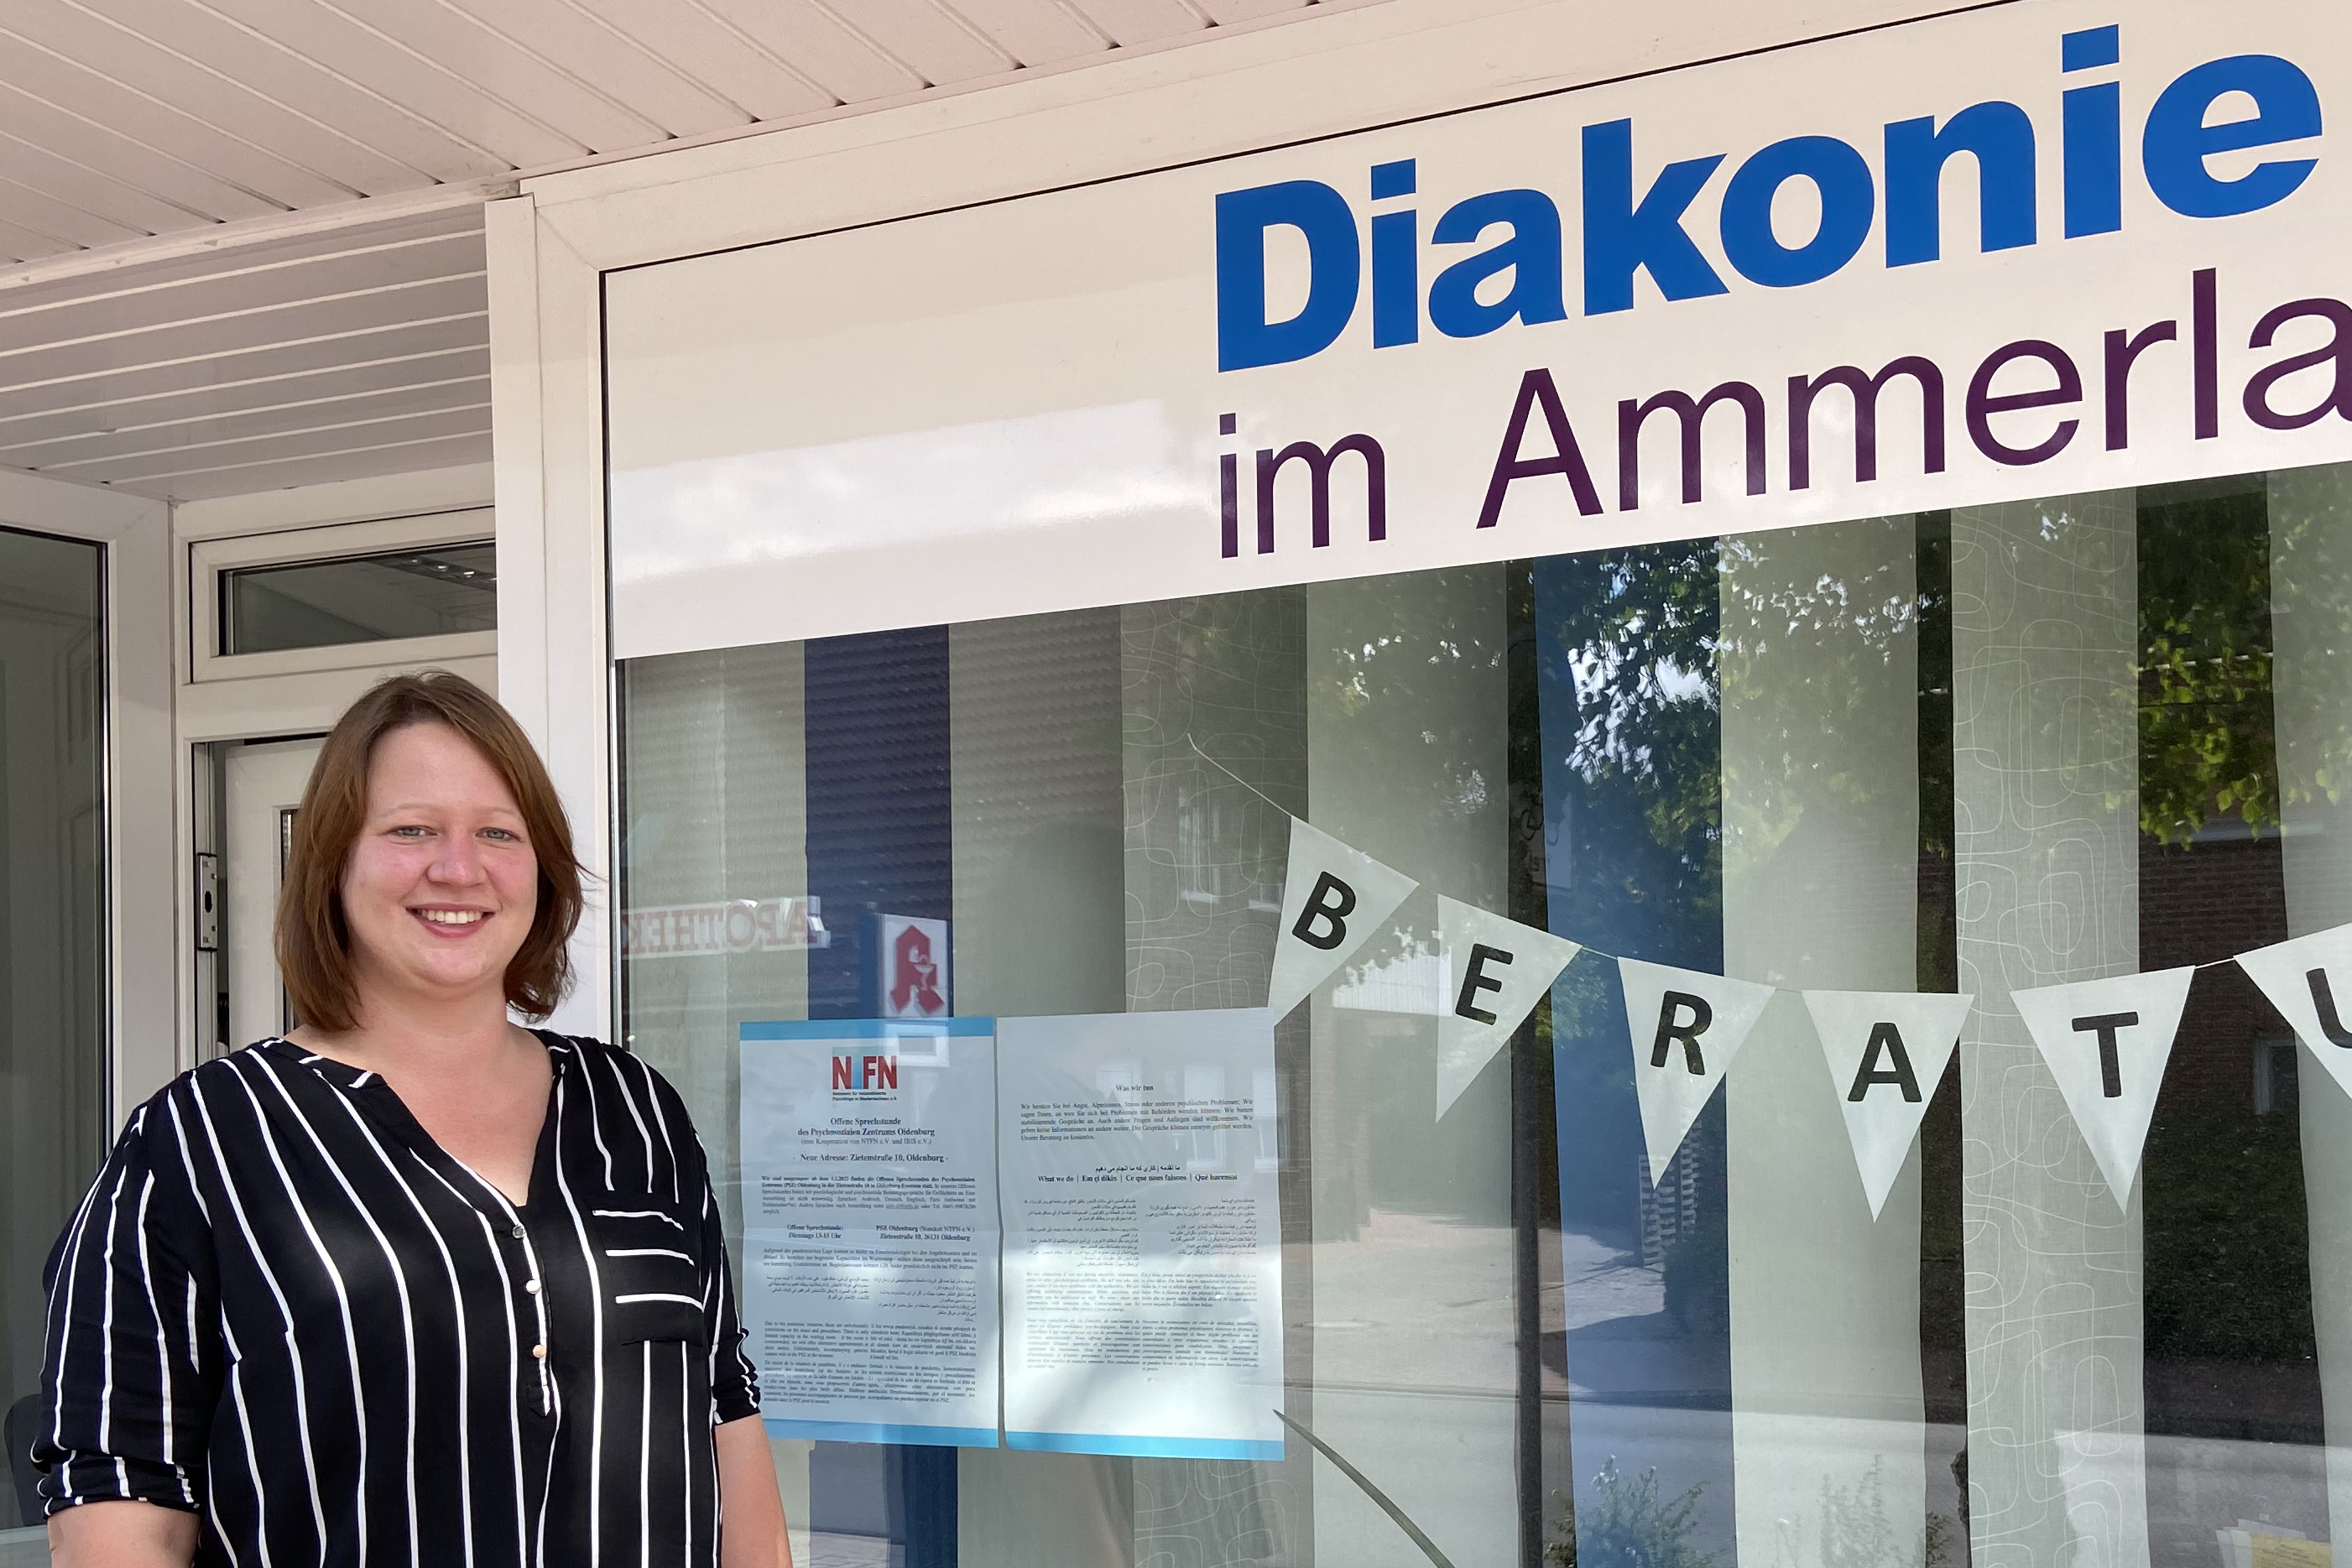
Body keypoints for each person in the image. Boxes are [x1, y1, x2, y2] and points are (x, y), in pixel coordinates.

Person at [34, 671, 792, 1568]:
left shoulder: (636, 1112)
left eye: (498, 833)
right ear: (332, 863)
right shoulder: (200, 1142)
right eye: (412, 830)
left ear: (540, 871)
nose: (458, 868)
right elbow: (122, 1501)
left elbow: (722, 1409)